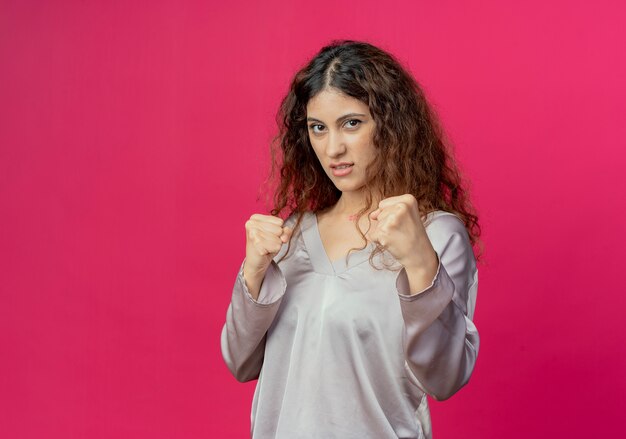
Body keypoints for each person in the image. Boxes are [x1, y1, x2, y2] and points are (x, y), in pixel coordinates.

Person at [220, 39, 482, 439]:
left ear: (392, 126)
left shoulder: (435, 234)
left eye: (352, 123)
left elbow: (445, 378)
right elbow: (241, 363)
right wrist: (253, 275)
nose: (333, 148)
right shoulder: (293, 234)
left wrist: (420, 263)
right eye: (318, 128)